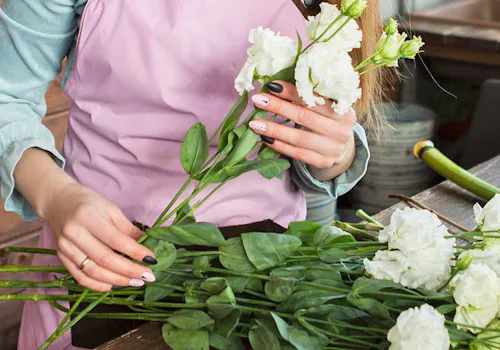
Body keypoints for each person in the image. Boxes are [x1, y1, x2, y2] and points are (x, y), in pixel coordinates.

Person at [0, 0, 387, 348]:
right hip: (102, 261)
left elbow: (323, 122)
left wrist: (333, 151)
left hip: (265, 286)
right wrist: (55, 195)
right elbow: (6, 99)